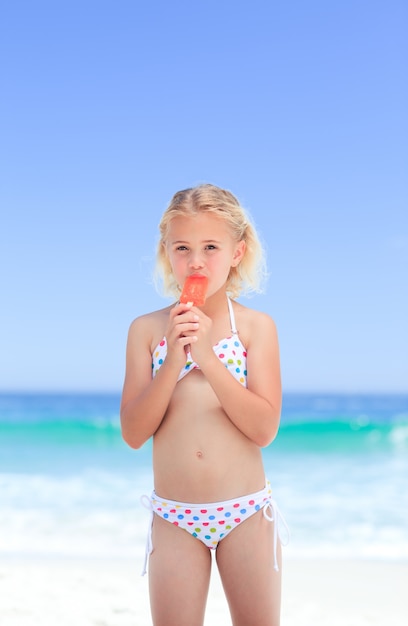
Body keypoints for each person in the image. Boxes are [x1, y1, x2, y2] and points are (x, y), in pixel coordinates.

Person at [120, 184, 287, 626]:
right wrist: (173, 359)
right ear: (167, 253)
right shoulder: (147, 331)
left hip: (245, 512)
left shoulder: (255, 328)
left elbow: (264, 428)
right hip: (175, 517)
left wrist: (208, 359)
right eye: (183, 248)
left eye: (211, 247)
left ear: (237, 252)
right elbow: (134, 433)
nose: (196, 261)